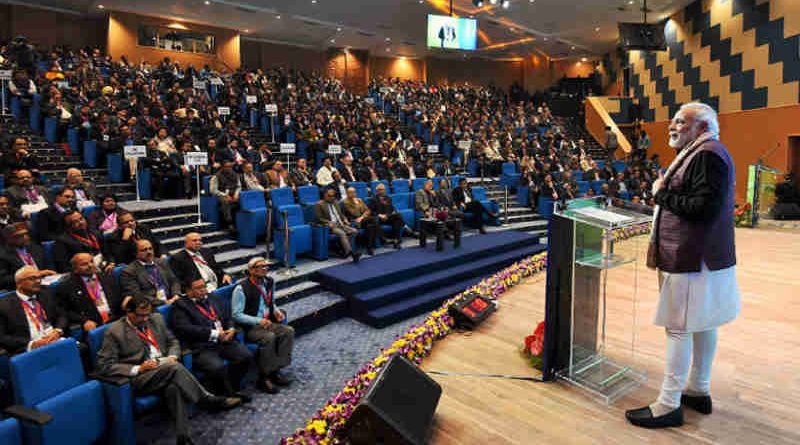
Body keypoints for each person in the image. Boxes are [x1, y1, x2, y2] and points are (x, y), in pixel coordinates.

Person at [625, 102, 740, 429]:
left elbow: (702, 208)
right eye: (673, 121)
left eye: (681, 122)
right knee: (702, 323)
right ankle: (698, 390)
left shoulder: (706, 154)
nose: (672, 127)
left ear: (702, 127)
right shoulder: (706, 150)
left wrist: (661, 194)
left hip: (691, 257)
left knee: (678, 328)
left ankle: (668, 404)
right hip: (703, 256)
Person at [96, 295, 242, 445]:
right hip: (141, 377)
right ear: (129, 313)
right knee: (174, 368)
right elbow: (104, 365)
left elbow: (172, 341)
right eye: (141, 316)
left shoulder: (156, 319)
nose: (146, 319)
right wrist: (138, 368)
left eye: (148, 314)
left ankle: (183, 437)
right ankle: (207, 399)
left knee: (173, 388)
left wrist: (172, 355)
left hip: (166, 366)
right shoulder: (114, 331)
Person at [172, 278, 253, 399]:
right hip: (202, 346)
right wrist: (214, 334)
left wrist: (231, 328)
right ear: (188, 291)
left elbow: (227, 316)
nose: (203, 290)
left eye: (204, 286)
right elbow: (185, 329)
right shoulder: (180, 305)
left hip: (223, 340)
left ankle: (234, 387)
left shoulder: (212, 297)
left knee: (245, 356)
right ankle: (227, 396)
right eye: (199, 288)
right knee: (217, 367)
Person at [232, 257, 294, 394]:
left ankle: (276, 370)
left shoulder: (270, 282)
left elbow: (271, 302)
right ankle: (263, 377)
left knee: (288, 331)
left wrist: (276, 311)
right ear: (251, 270)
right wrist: (257, 321)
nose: (264, 269)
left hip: (268, 321)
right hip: (251, 327)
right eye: (260, 267)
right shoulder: (241, 288)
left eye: (266, 266)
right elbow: (236, 315)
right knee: (269, 337)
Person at [0, 266, 66, 356]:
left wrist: (58, 330)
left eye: (39, 277)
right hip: (29, 350)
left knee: (81, 349)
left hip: (54, 340)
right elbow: (2, 337)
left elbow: (62, 315)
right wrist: (31, 344)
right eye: (32, 278)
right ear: (19, 283)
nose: (38, 281)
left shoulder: (46, 294)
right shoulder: (4, 306)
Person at [56, 253, 120, 334]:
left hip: (115, 318)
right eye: (84, 264)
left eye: (91, 262)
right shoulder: (67, 287)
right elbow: (65, 311)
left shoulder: (107, 277)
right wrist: (84, 321)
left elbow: (118, 298)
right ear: (75, 269)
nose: (90, 265)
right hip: (94, 324)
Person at [120, 240, 182, 306]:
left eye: (150, 248)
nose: (149, 252)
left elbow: (174, 280)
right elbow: (137, 295)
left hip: (173, 299)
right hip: (151, 306)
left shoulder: (161, 262)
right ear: (136, 254)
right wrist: (163, 302)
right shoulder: (129, 272)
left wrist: (175, 295)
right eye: (144, 250)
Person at [314, 188, 360, 262]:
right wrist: (329, 222)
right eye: (329, 196)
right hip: (332, 226)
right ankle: (351, 252)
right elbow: (319, 218)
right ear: (325, 195)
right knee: (342, 233)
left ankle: (346, 250)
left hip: (341, 224)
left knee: (354, 231)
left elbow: (340, 214)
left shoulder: (335, 202)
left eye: (333, 196)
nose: (331, 197)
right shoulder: (319, 204)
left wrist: (345, 219)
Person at [0, 223, 50, 290]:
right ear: (9, 239)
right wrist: (27, 276)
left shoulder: (35, 248)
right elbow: (3, 280)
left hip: (44, 283)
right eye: (19, 236)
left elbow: (47, 267)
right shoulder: (3, 256)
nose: (25, 238)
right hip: (22, 288)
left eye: (25, 234)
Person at [368, 183, 413, 249]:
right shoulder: (373, 199)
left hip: (387, 217)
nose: (383, 191)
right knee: (397, 217)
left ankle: (396, 241)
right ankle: (405, 227)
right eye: (381, 190)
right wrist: (380, 215)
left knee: (397, 218)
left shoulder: (388, 198)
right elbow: (371, 212)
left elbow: (391, 209)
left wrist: (387, 215)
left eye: (383, 189)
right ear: (377, 191)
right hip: (379, 219)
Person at [342, 187, 378, 255]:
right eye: (351, 192)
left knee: (370, 226)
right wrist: (355, 203)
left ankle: (369, 247)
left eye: (354, 192)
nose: (353, 194)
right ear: (347, 193)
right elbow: (354, 213)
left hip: (362, 220)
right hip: (354, 221)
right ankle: (373, 245)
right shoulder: (345, 202)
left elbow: (368, 210)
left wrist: (361, 217)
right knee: (373, 220)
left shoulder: (359, 200)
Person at [209, 160, 241, 230]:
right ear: (222, 167)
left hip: (233, 193)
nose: (229, 168)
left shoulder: (235, 174)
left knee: (244, 198)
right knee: (225, 201)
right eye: (227, 167)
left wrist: (236, 194)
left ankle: (242, 220)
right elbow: (213, 190)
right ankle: (229, 222)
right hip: (221, 194)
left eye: (230, 166)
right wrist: (224, 195)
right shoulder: (216, 176)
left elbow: (239, 186)